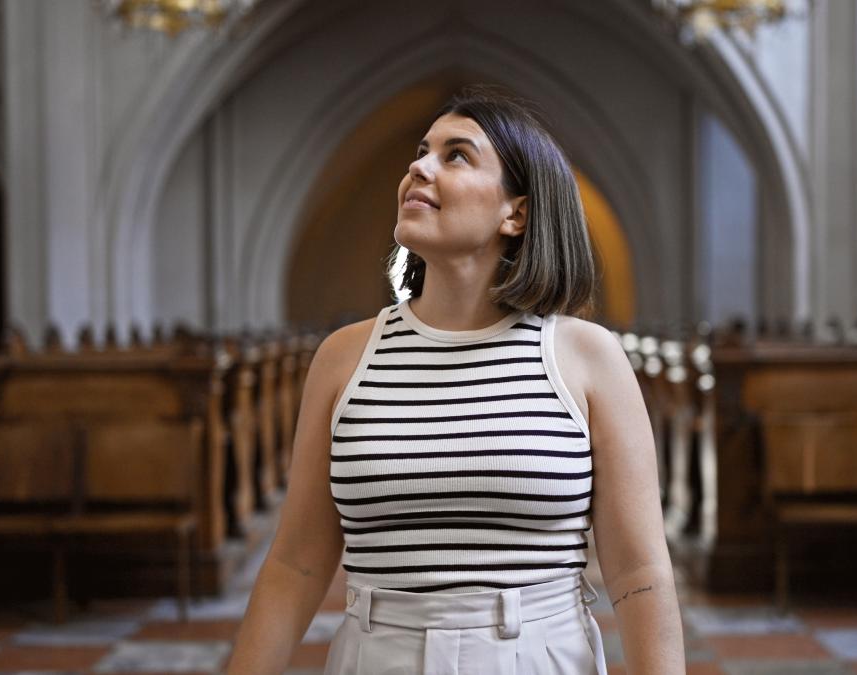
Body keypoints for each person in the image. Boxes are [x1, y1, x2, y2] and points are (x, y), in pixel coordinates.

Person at [226, 85, 683, 674]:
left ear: (515, 212)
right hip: (377, 653)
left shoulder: (585, 357)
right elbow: (296, 564)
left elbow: (638, 572)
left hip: (534, 655)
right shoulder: (345, 357)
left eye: (455, 155)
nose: (418, 166)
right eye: (421, 151)